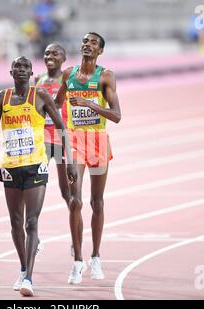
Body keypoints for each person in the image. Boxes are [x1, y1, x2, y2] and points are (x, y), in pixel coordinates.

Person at [0, 56, 77, 296]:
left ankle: (28, 278)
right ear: (11, 72)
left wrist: (69, 162)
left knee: (31, 222)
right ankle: (23, 266)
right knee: (15, 222)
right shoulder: (1, 98)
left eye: (26, 67)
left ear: (30, 72)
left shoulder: (41, 96)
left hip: (36, 165)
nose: (22, 70)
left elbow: (60, 127)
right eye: (18, 67)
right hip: (10, 166)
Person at [55, 32, 121, 285]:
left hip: (98, 140)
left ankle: (95, 256)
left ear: (100, 51)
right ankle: (77, 261)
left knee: (97, 202)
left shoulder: (105, 76)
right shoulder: (68, 74)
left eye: (94, 42)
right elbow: (57, 102)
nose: (87, 44)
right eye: (85, 41)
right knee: (75, 201)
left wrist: (90, 104)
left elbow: (116, 115)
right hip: (75, 142)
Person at [34, 43, 70, 209]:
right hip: (43, 140)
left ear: (63, 59)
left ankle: (76, 226)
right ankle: (33, 227)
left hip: (62, 139)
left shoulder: (68, 80)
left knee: (67, 191)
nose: (50, 57)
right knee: (37, 184)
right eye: (47, 53)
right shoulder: (38, 79)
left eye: (55, 54)